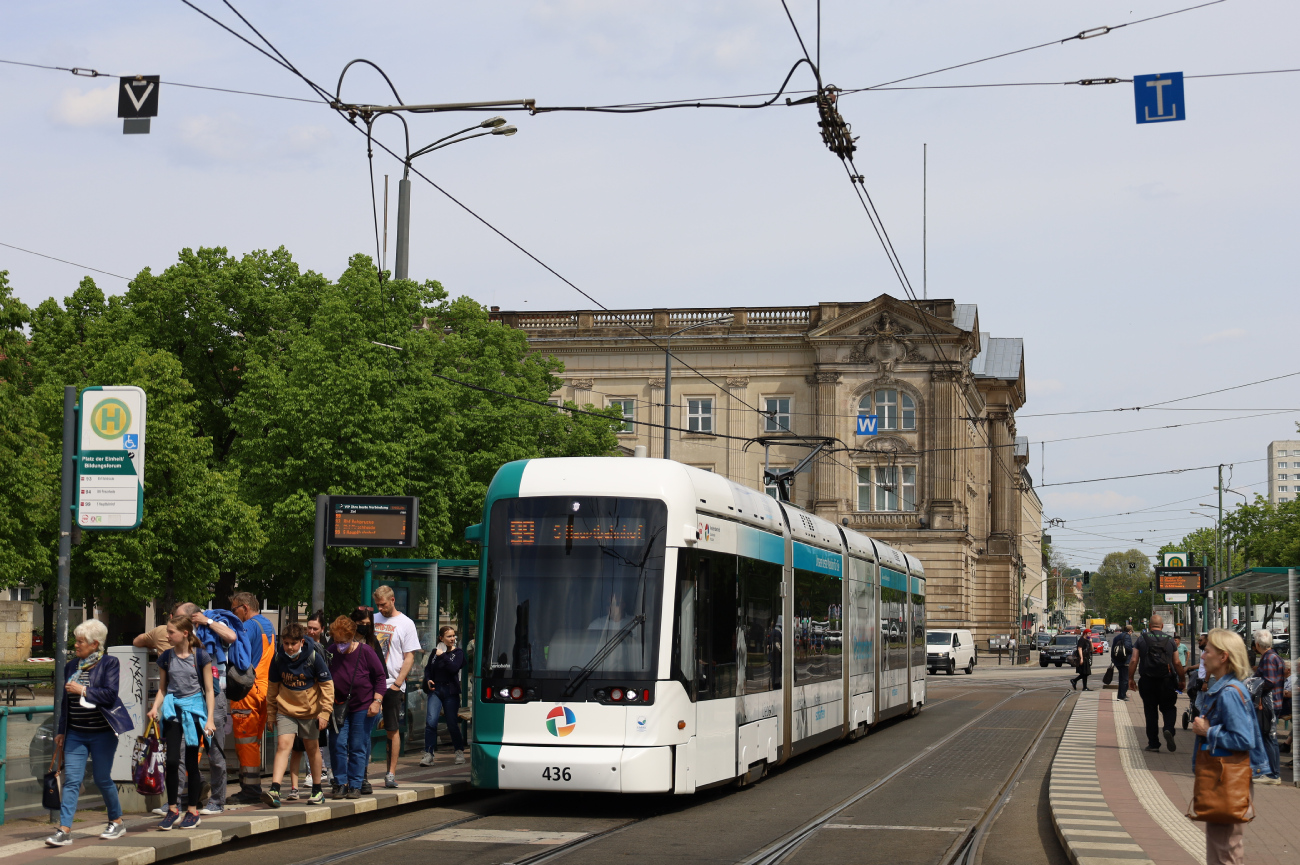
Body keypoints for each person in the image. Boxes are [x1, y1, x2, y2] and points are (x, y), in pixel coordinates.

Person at [45, 620, 132, 848]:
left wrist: (83, 689)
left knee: (103, 779)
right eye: (76, 640)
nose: (76, 645)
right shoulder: (71, 665)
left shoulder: (109, 663)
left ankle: (117, 820)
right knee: (72, 780)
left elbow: (110, 695)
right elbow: (66, 701)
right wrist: (61, 731)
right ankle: (64, 830)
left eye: (80, 641)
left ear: (95, 644)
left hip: (102, 733)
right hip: (76, 733)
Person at [1190, 628, 1268, 865]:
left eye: (1207, 651)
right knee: (1222, 848)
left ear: (1223, 656)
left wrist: (1208, 731)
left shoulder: (1228, 694)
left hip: (1227, 778)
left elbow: (1244, 739)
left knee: (1225, 851)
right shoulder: (1228, 688)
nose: (1203, 656)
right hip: (1225, 777)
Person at [147, 615, 216, 830]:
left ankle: (193, 810)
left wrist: (210, 719)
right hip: (173, 711)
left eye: (171, 632)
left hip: (194, 711)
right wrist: (154, 707)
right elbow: (162, 689)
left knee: (192, 764)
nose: (167, 636)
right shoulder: (166, 657)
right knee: (173, 761)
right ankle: (173, 808)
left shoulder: (201, 657)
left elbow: (210, 690)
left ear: (185, 633)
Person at [261, 622, 334, 807]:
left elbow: (327, 686)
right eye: (286, 643)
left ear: (301, 642)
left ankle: (317, 790)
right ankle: (275, 789)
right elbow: (272, 688)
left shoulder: (314, 657)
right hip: (286, 710)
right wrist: (271, 714)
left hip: (310, 712)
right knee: (283, 746)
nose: (289, 647)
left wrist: (325, 712)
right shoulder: (278, 659)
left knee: (312, 749)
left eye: (293, 643)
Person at [327, 615, 386, 799]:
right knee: (337, 743)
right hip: (338, 706)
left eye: (343, 641)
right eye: (336, 641)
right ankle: (340, 782)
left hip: (363, 705)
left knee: (357, 745)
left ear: (352, 637)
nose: (339, 645)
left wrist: (377, 701)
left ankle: (355, 784)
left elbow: (380, 678)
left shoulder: (366, 651)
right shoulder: (331, 652)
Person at [227, 592, 276, 803]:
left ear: (245, 608)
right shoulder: (267, 625)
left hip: (247, 690)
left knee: (245, 742)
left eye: (234, 609)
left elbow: (236, 651)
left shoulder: (248, 626)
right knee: (253, 742)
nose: (232, 613)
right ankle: (251, 786)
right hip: (264, 690)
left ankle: (250, 790)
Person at [372, 585, 419, 788]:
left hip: (392, 684)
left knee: (392, 729)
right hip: (372, 684)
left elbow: (409, 656)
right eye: (378, 606)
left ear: (392, 600)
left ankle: (391, 773)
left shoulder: (406, 623)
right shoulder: (373, 620)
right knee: (365, 726)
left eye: (383, 605)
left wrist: (398, 683)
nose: (381, 609)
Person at [1129, 614, 1186, 753]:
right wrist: (1182, 679)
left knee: (1150, 711)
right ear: (1162, 626)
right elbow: (1177, 662)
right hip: (1167, 681)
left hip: (1147, 681)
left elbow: (1134, 660)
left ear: (1149, 626)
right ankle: (1168, 729)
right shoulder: (1170, 640)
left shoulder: (1141, 639)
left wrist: (1130, 678)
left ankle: (1154, 743)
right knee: (1169, 708)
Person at [420, 625, 467, 766]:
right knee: (431, 721)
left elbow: (453, 669)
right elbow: (428, 669)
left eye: (453, 636)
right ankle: (428, 754)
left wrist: (444, 656)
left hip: (450, 691)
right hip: (436, 690)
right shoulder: (435, 653)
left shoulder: (458, 653)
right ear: (441, 638)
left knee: (452, 723)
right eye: (449, 636)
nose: (452, 639)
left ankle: (459, 751)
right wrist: (428, 679)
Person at [1251, 629, 1284, 784]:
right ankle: (1271, 772)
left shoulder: (1268, 658)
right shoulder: (1275, 656)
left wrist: (1254, 684)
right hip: (1273, 702)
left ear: (1257, 644)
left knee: (1269, 737)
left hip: (1269, 703)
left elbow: (1269, 681)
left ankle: (1273, 774)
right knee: (1268, 736)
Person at [1111, 627, 1133, 701]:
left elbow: (1113, 649)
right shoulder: (1127, 636)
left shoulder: (1117, 637)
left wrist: (1113, 659)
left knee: (1121, 678)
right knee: (1125, 679)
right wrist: (1132, 651)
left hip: (1117, 660)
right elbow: (1127, 647)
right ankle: (1121, 696)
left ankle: (1121, 695)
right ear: (1130, 631)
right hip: (1125, 660)